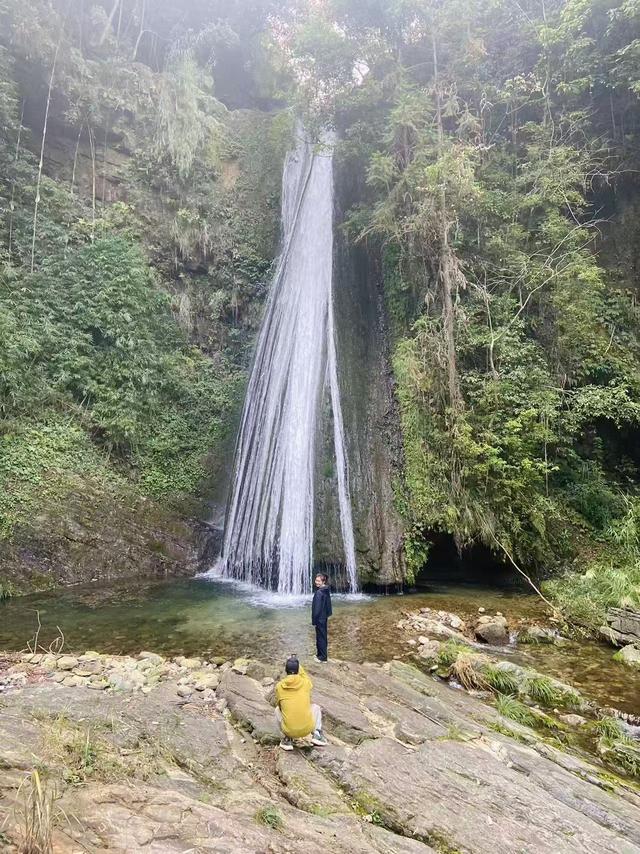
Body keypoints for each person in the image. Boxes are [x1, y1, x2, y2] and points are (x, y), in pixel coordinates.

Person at [275, 655, 327, 750]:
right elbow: (304, 675)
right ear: (298, 670)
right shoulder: (306, 683)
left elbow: (280, 706)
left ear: (286, 670)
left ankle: (287, 739)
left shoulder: (279, 686)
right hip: (307, 729)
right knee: (316, 707)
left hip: (289, 730)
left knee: (277, 710)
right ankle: (317, 734)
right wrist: (298, 665)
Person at [311, 572, 332, 662]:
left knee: (320, 638)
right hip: (324, 617)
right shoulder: (326, 590)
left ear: (323, 581)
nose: (316, 582)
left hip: (319, 618)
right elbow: (328, 605)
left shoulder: (319, 593)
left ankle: (322, 657)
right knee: (322, 636)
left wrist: (314, 620)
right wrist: (327, 614)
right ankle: (320, 654)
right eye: (316, 580)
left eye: (319, 581)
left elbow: (317, 608)